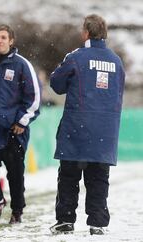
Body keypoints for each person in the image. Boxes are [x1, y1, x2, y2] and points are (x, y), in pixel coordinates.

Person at [49, 14, 125, 235]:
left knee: (69, 177)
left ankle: (65, 220)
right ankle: (98, 223)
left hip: (77, 129)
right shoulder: (116, 60)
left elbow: (56, 84)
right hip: (105, 131)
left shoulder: (76, 57)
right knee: (98, 178)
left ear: (86, 33)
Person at [0, 24, 41, 224]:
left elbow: (34, 97)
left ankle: (17, 212)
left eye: (4, 37)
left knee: (15, 174)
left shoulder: (22, 65)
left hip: (14, 130)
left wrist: (22, 121)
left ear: (11, 41)